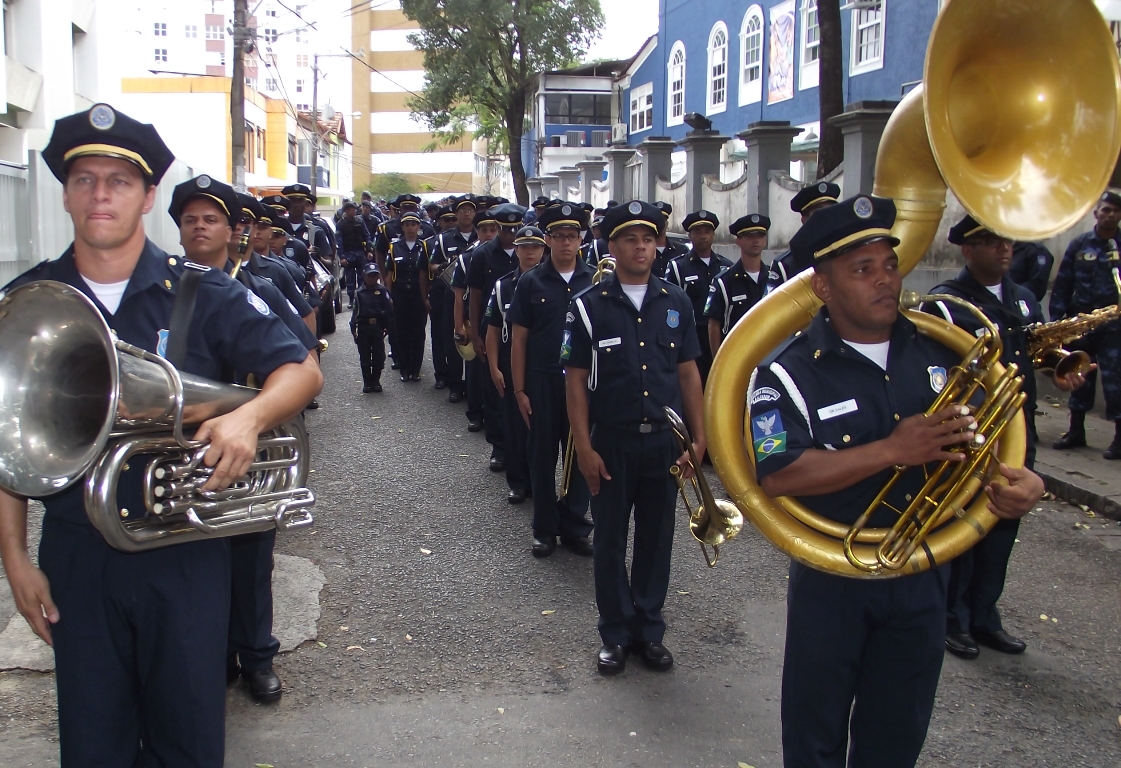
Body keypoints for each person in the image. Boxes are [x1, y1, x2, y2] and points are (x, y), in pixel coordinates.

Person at [0, 104, 322, 767]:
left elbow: (301, 369)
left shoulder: (200, 290)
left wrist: (249, 417)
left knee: (189, 740)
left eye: (117, 182)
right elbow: (9, 440)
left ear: (147, 197)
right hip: (77, 554)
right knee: (93, 744)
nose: (99, 195)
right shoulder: (30, 302)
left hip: (185, 550)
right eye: (84, 179)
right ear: (65, 192)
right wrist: (15, 558)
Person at [748, 195, 1043, 767]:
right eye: (863, 270)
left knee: (897, 737)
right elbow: (779, 473)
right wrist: (892, 450)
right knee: (815, 738)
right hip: (833, 577)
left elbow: (981, 440)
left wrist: (1020, 482)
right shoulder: (783, 371)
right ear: (825, 288)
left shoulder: (942, 350)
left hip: (922, 572)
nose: (885, 280)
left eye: (889, 264)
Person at [168, 175, 320, 705]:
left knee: (252, 557)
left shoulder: (262, 285)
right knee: (195, 553)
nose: (200, 228)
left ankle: (256, 657)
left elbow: (303, 357)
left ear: (235, 230)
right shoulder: (166, 292)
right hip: (186, 446)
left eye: (211, 219)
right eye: (190, 220)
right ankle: (213, 657)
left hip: (255, 444)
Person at [923, 214, 1087, 663]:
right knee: (963, 525)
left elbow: (1027, 357)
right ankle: (951, 619)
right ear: (967, 249)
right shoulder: (948, 305)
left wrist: (1058, 368)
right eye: (991, 241)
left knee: (1003, 527)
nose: (1004, 248)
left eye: (1007, 241)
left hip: (1018, 429)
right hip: (973, 435)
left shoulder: (1025, 299)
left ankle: (983, 615)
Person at [563, 200, 705, 675]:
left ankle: (649, 629)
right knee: (609, 541)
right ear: (612, 245)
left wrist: (699, 440)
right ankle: (615, 633)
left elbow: (689, 375)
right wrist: (583, 446)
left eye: (647, 238)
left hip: (663, 442)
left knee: (656, 538)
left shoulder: (676, 302)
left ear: (657, 244)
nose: (640, 246)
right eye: (629, 238)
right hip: (611, 442)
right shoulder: (588, 307)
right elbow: (576, 380)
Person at [510, 204, 595, 555]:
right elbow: (519, 339)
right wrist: (519, 389)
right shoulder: (532, 281)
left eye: (571, 236)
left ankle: (574, 526)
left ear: (580, 240)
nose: (565, 243)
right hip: (542, 381)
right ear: (546, 240)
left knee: (580, 454)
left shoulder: (595, 280)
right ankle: (544, 528)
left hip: (582, 385)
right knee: (542, 456)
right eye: (558, 236)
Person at [1049, 190, 1121, 458]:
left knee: (1115, 382)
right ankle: (1076, 430)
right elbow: (1064, 281)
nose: (1109, 214)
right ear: (1096, 214)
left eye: (1115, 210)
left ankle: (1118, 438)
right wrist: (1059, 320)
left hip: (1114, 326)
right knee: (1079, 373)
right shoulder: (1080, 244)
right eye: (1105, 210)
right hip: (1082, 323)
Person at [484, 226, 545, 506]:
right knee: (515, 425)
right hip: (511, 363)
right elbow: (493, 330)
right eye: (525, 247)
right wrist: (494, 366)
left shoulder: (550, 284)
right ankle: (518, 482)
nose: (530, 252)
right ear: (516, 250)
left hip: (543, 365)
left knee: (542, 428)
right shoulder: (503, 286)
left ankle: (540, 481)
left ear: (543, 250)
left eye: (536, 246)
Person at [467, 203, 525, 471]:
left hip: (525, 334)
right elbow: (476, 296)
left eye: (515, 229)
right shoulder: (482, 255)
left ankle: (522, 449)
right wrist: (476, 333)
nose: (510, 235)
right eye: (506, 230)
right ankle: (499, 448)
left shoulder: (531, 251)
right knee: (494, 391)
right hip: (494, 331)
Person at [664, 210, 731, 386]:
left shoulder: (726, 267)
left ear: (713, 234)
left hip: (720, 337)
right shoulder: (678, 266)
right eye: (698, 232)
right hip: (691, 336)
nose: (703, 236)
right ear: (690, 235)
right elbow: (670, 303)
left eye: (707, 232)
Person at [237, 193, 318, 339]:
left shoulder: (280, 270)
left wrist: (310, 353)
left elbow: (307, 310)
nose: (238, 228)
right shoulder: (215, 271)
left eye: (244, 222)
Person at [454, 207, 500, 431]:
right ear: (477, 231)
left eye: (493, 229)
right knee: (475, 369)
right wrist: (460, 326)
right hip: (476, 320)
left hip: (501, 323)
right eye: (484, 230)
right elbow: (460, 296)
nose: (489, 234)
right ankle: (475, 413)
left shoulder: (506, 255)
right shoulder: (467, 258)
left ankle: (496, 417)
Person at [430, 195, 478, 396]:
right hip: (451, 294)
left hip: (476, 295)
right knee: (454, 339)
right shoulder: (443, 239)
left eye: (470, 210)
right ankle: (456, 385)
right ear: (456, 213)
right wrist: (443, 266)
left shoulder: (482, 235)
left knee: (477, 339)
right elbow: (431, 265)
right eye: (462, 210)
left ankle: (474, 387)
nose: (466, 213)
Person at [705, 214, 770, 356]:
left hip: (767, 355)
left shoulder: (774, 279)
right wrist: (719, 362)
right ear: (738, 241)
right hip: (736, 357)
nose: (756, 240)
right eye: (749, 236)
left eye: (760, 235)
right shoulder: (724, 282)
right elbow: (714, 325)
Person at [765, 181, 841, 294]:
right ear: (804, 220)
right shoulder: (785, 265)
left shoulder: (846, 254)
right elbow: (770, 308)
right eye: (819, 212)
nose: (826, 217)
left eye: (831, 211)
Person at [382, 211, 431, 382]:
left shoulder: (424, 247)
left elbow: (426, 273)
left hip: (418, 294)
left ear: (419, 227)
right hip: (400, 293)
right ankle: (404, 368)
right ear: (402, 227)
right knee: (400, 332)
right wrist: (388, 297)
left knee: (418, 332)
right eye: (407, 225)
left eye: (414, 225)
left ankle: (415, 369)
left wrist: (426, 297)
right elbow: (389, 273)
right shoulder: (394, 247)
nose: (410, 228)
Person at [351, 262, 394, 393]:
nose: (372, 278)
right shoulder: (359, 293)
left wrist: (387, 326)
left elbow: (388, 310)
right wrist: (353, 329)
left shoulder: (382, 291)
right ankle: (367, 382)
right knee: (365, 356)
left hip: (377, 327)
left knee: (379, 356)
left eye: (375, 276)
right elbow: (355, 312)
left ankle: (376, 380)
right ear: (364, 276)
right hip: (364, 327)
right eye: (369, 276)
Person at [335, 200, 373, 308]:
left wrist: (369, 250)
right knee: (350, 279)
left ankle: (362, 299)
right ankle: (352, 300)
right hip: (348, 254)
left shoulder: (359, 221)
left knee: (363, 277)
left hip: (360, 252)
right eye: (352, 210)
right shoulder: (341, 224)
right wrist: (341, 257)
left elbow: (367, 236)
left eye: (355, 210)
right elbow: (339, 241)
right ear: (346, 211)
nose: (354, 212)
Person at [651, 202, 689, 278]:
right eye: (657, 220)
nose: (660, 224)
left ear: (667, 224)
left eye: (662, 220)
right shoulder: (643, 250)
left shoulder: (682, 250)